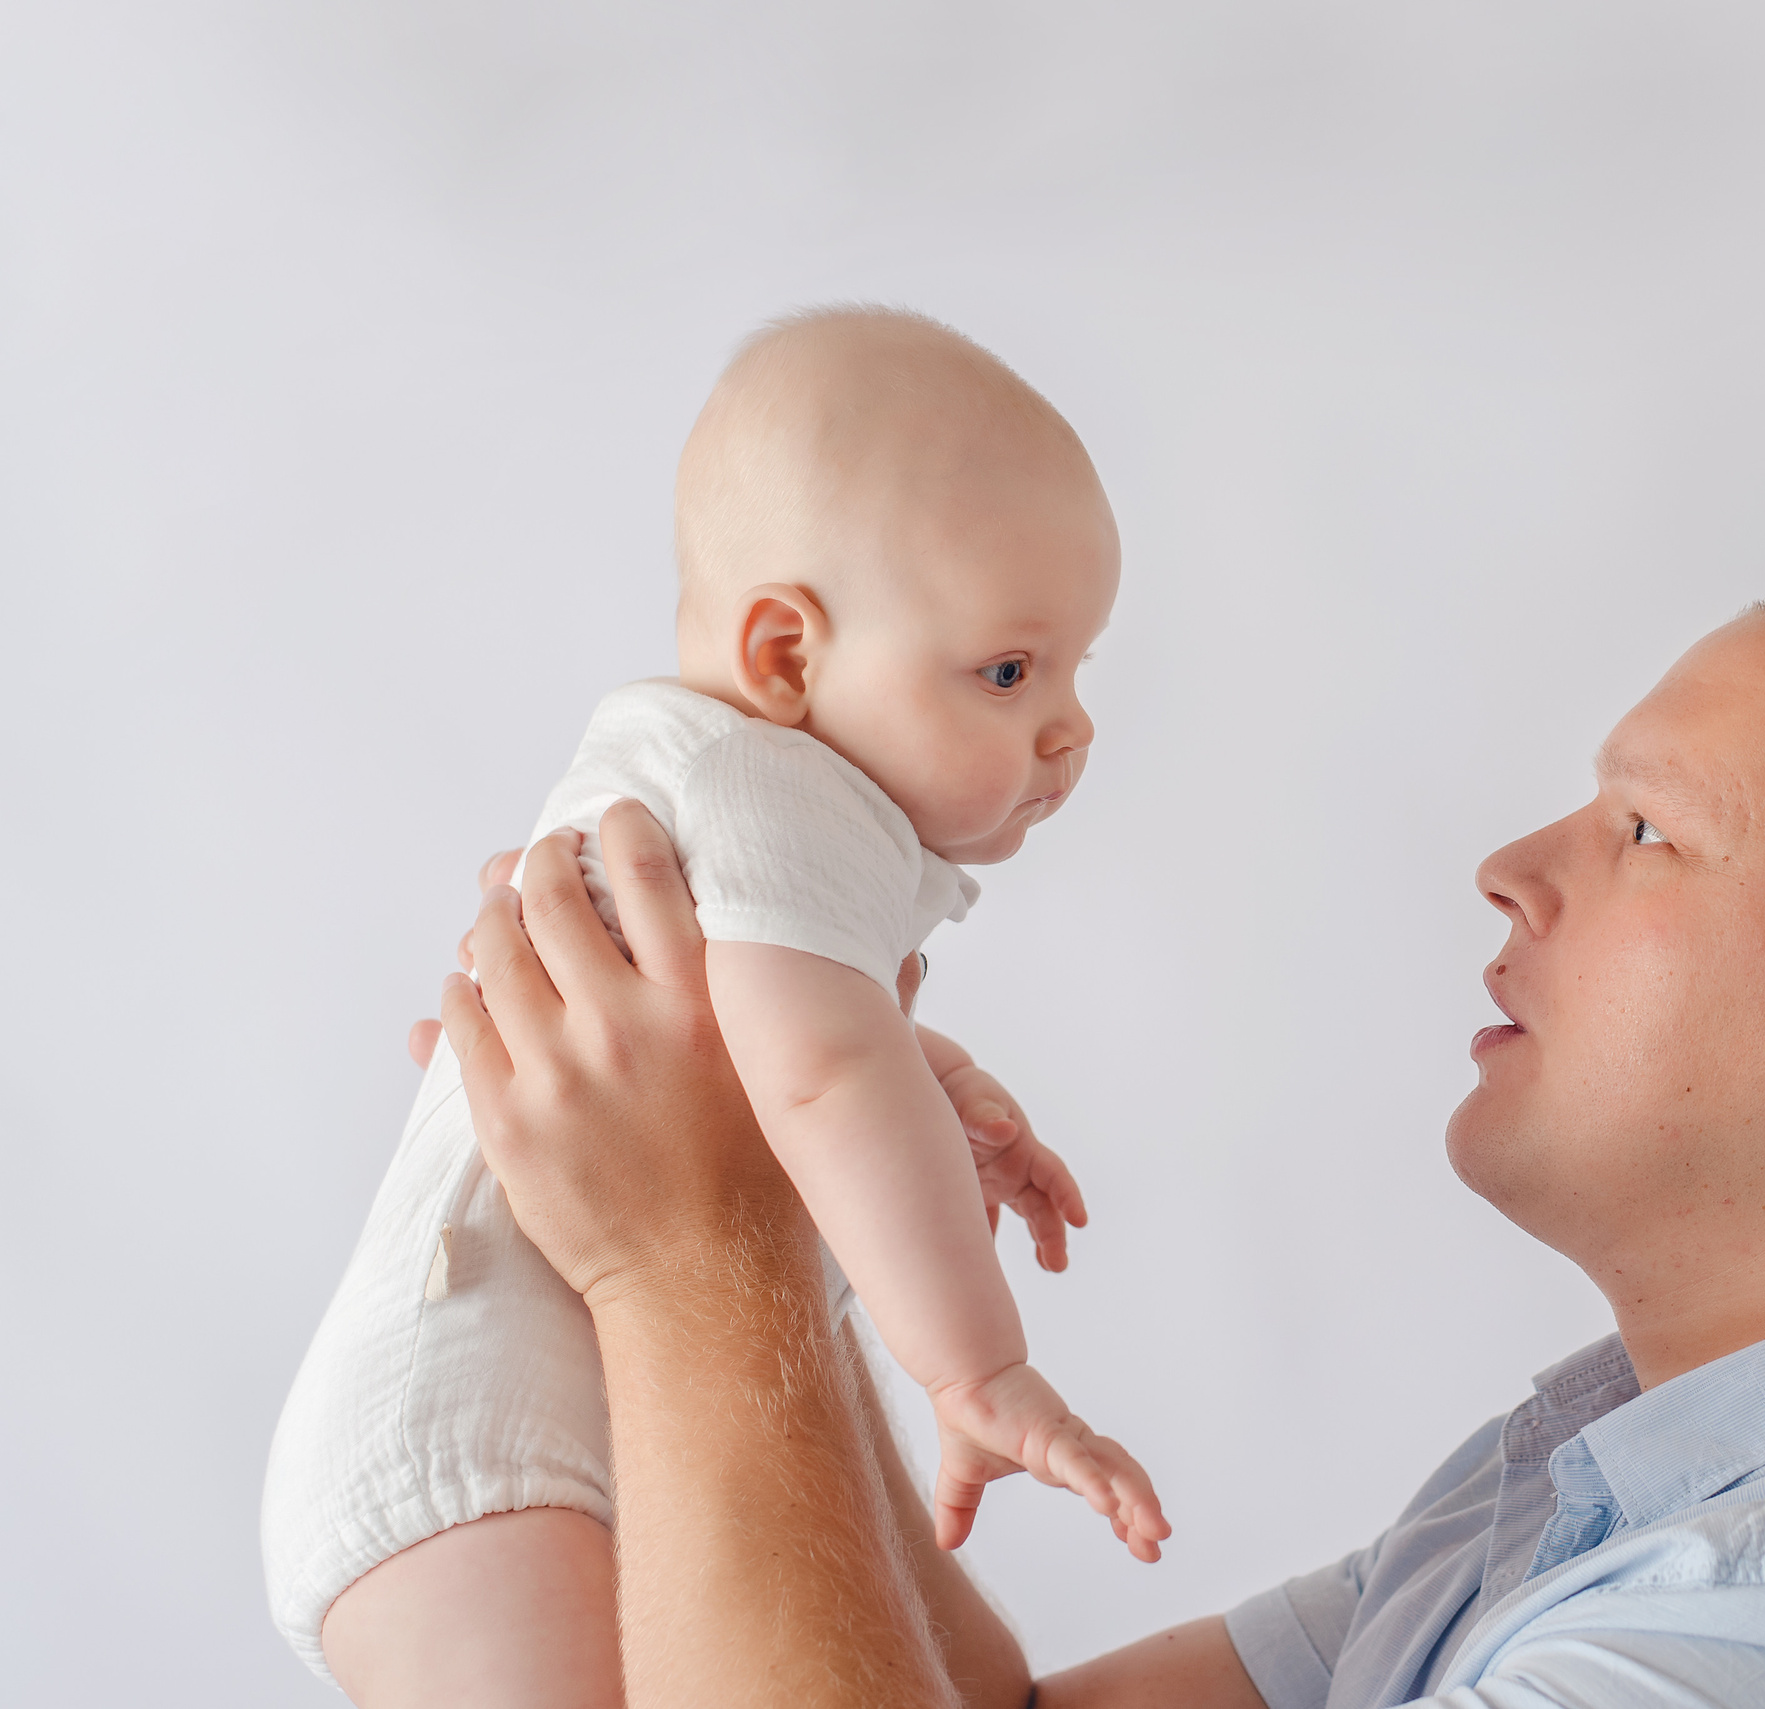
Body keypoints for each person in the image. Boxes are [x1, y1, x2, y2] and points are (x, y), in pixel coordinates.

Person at [432, 588, 1765, 1707]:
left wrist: (692, 1264)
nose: (1514, 868)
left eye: (1644, 830)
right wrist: (796, 1144)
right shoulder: (1613, 1487)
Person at [263, 307, 1167, 1705]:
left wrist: (927, 1080)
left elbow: (762, 1041)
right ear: (788, 656)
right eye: (1008, 670)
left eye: (1074, 670)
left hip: (488, 1425)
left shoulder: (718, 783)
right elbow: (820, 1077)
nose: (1070, 729)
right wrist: (976, 1370)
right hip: (475, 1445)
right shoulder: (773, 787)